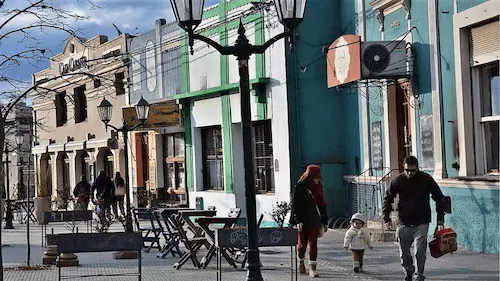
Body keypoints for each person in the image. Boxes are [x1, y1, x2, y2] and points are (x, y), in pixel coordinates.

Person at [383, 156, 445, 281]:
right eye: (407, 170)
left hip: (422, 221)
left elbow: (439, 197)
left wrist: (440, 219)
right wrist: (386, 218)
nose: (410, 173)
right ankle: (409, 270)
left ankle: (419, 275)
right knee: (404, 253)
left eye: (413, 170)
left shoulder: (426, 179)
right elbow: (387, 198)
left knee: (419, 251)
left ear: (417, 168)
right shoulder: (398, 180)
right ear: (403, 168)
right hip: (404, 222)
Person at [289, 164, 328, 278]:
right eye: (316, 177)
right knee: (302, 245)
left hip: (314, 219)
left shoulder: (318, 186)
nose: (318, 179)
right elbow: (295, 205)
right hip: (302, 220)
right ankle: (301, 261)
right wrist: (298, 220)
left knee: (313, 243)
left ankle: (312, 268)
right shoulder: (300, 186)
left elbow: (322, 204)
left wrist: (325, 222)